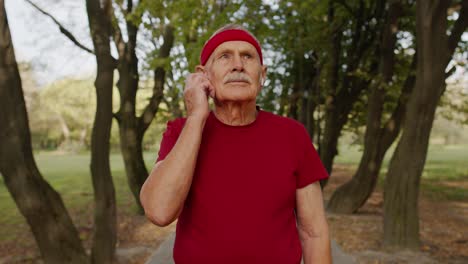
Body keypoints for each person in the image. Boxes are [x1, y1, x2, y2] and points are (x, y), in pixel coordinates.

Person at [140, 24, 332, 264]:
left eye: (247, 56)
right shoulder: (181, 131)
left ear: (262, 75)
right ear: (203, 74)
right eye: (224, 56)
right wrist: (197, 117)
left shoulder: (292, 135)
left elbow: (314, 232)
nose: (238, 65)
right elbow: (158, 211)